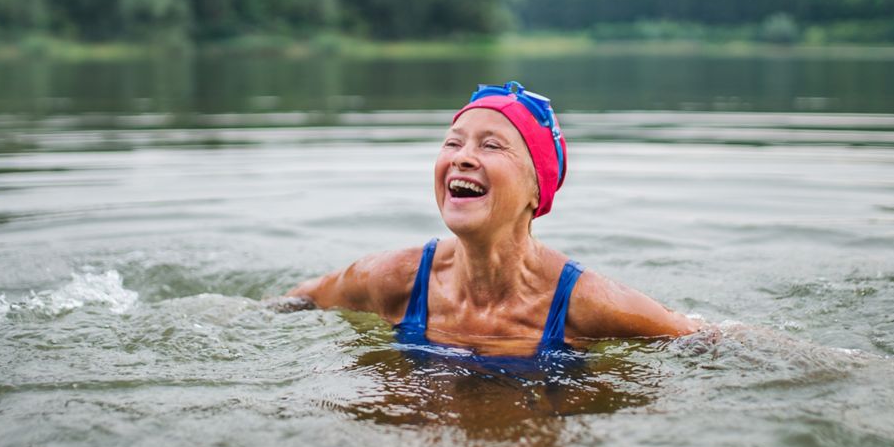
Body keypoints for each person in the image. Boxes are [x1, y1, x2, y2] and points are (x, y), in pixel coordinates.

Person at [273, 82, 697, 360]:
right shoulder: (395, 279)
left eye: (491, 145)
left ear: (537, 192)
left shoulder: (583, 303)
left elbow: (706, 338)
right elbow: (303, 298)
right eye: (453, 143)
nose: (462, 156)